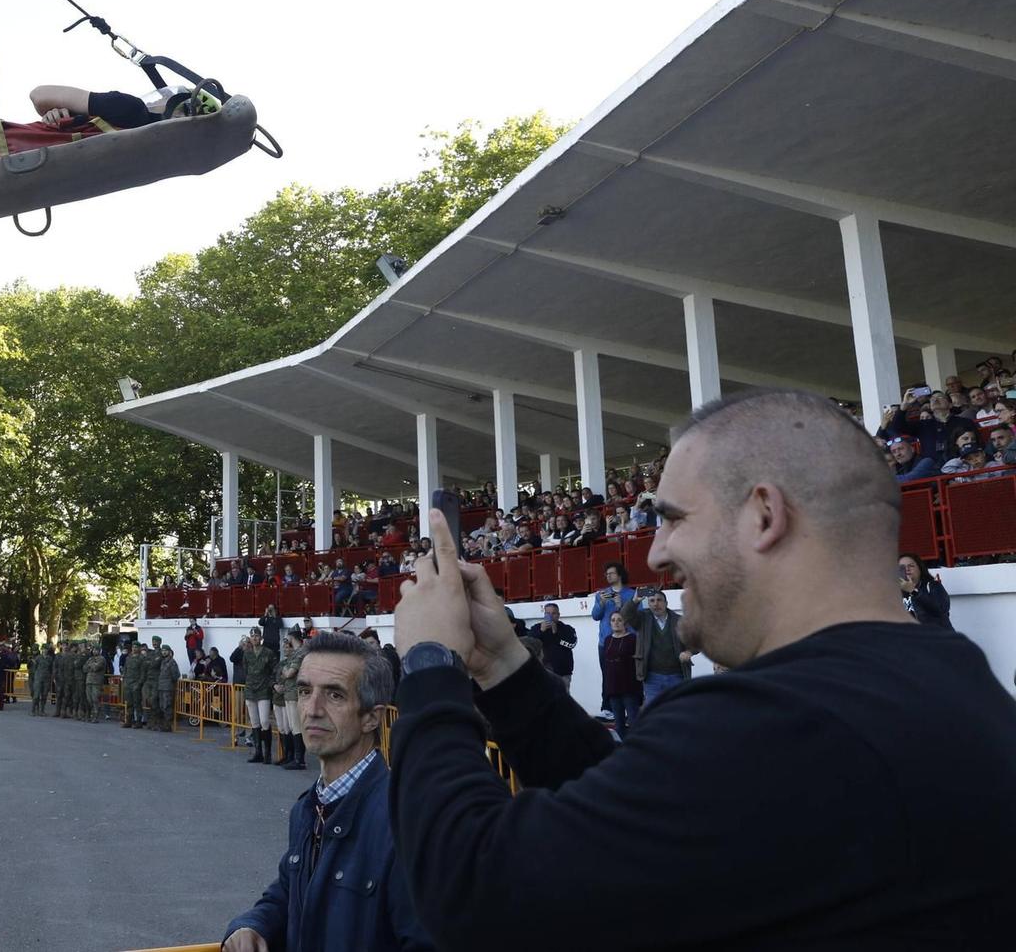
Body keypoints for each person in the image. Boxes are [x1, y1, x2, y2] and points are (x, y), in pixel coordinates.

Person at [388, 389, 1016, 949]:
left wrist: (429, 665)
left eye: (672, 519)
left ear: (764, 515)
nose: (656, 553)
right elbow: (634, 824)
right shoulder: (946, 683)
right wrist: (502, 665)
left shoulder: (782, 722)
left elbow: (475, 891)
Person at [221, 630, 424, 952]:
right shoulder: (308, 808)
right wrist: (253, 925)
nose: (312, 709)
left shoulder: (406, 821)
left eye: (334, 695)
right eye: (304, 691)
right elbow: (290, 893)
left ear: (372, 717)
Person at [29, 82, 195, 131]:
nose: (157, 99)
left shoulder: (131, 109)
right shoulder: (157, 157)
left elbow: (39, 95)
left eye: (166, 97)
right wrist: (65, 115)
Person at [634, 591, 691, 706]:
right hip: (652, 677)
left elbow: (696, 640)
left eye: (659, 600)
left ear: (666, 603)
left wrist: (689, 651)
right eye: (652, 601)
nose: (656, 604)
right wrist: (634, 602)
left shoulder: (679, 620)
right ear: (648, 604)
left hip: (677, 676)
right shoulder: (643, 619)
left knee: (677, 710)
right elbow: (626, 615)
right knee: (654, 712)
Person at [597, 608, 640, 733]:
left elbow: (637, 662)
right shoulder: (607, 640)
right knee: (619, 724)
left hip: (629, 686)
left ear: (625, 622)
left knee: (634, 721)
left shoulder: (633, 638)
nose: (616, 622)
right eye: (613, 620)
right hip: (613, 687)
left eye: (619, 620)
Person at [272, 633, 308, 770]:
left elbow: (288, 674)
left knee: (296, 727)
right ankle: (293, 757)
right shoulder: (295, 654)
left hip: (294, 693)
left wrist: (286, 670)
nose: (287, 646)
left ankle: (299, 760)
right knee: (292, 727)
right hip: (289, 693)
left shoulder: (299, 653)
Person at [588, 562, 637, 655]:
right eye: (606, 574)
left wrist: (621, 605)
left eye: (611, 573)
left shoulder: (632, 594)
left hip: (627, 641)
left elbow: (638, 617)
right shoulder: (601, 594)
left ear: (620, 575)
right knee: (607, 669)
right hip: (606, 641)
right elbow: (595, 616)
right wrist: (601, 603)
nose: (608, 576)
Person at [242, 631, 276, 764]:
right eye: (252, 636)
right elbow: (246, 670)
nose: (255, 638)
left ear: (261, 638)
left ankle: (267, 753)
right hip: (250, 690)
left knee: (264, 722)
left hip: (263, 690)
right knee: (254, 722)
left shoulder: (268, 652)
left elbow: (274, 669)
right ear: (250, 638)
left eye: (257, 636)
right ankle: (258, 752)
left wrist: (270, 684)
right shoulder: (247, 653)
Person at [899, 553, 953, 630]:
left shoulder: (932, 586)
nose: (907, 569)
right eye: (902, 567)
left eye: (911, 566)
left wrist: (913, 591)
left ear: (920, 568)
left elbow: (941, 610)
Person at [532, 602, 576, 685]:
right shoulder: (537, 628)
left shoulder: (567, 629)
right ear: (544, 614)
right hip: (542, 672)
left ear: (558, 615)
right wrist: (541, 631)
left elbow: (572, 644)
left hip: (562, 673)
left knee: (563, 697)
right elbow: (530, 642)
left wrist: (556, 633)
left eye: (554, 613)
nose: (551, 616)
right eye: (548, 613)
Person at [153, 639, 180, 731]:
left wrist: (170, 683)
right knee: (161, 706)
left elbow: (175, 675)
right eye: (163, 651)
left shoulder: (172, 662)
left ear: (169, 652)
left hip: (168, 688)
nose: (163, 652)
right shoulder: (163, 662)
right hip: (161, 687)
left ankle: (168, 725)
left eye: (165, 651)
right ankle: (163, 724)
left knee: (167, 706)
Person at [28, 643, 52, 715]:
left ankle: (42, 710)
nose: (45, 650)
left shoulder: (49, 658)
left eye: (46, 649)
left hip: (46, 679)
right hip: (38, 678)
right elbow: (34, 668)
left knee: (44, 695)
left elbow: (51, 668)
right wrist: (36, 676)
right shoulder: (38, 658)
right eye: (44, 649)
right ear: (42, 650)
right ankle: (33, 710)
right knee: (36, 695)